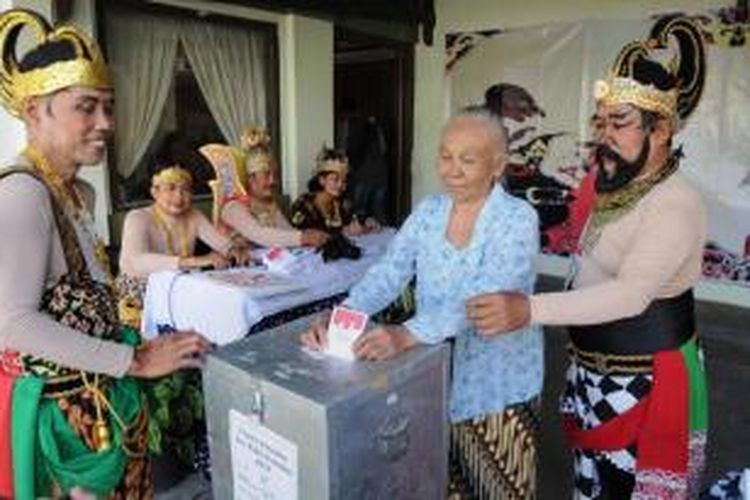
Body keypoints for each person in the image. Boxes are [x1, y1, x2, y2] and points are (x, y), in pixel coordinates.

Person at [464, 16, 709, 499]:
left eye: (619, 122)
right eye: (601, 121)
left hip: (645, 380)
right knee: (590, 480)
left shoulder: (674, 203)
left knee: (625, 486)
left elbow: (632, 293)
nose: (605, 134)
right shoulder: (615, 185)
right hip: (593, 366)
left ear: (660, 130)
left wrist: (529, 309)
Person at [0, 9, 210, 498]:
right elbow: (12, 322)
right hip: (66, 423)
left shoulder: (79, 194)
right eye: (86, 106)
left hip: (102, 401)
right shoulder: (21, 194)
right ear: (34, 110)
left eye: (109, 107)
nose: (106, 123)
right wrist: (134, 360)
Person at [302, 106, 544, 499]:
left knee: (497, 484)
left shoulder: (517, 218)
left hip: (496, 380)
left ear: (497, 165)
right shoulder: (430, 211)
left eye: (468, 159)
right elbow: (391, 270)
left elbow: (485, 297)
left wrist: (406, 333)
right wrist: (345, 317)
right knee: (435, 479)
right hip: (430, 374)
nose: (452, 169)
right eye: (445, 156)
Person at [117, 165, 248, 328]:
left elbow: (221, 243)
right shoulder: (137, 218)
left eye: (185, 189)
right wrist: (195, 261)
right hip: (139, 294)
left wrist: (233, 249)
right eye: (171, 188)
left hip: (180, 288)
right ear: (155, 192)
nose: (179, 196)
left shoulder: (194, 215)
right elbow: (138, 261)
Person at [200, 127, 328, 249]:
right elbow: (260, 234)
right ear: (251, 178)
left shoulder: (269, 203)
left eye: (275, 175)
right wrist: (303, 237)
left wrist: (308, 234)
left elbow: (287, 232)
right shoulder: (233, 206)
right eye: (266, 175)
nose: (273, 181)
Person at [290, 146, 380, 236]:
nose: (340, 185)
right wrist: (342, 232)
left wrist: (367, 222)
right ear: (322, 180)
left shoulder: (342, 204)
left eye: (344, 181)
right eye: (335, 179)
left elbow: (356, 218)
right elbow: (299, 233)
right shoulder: (303, 204)